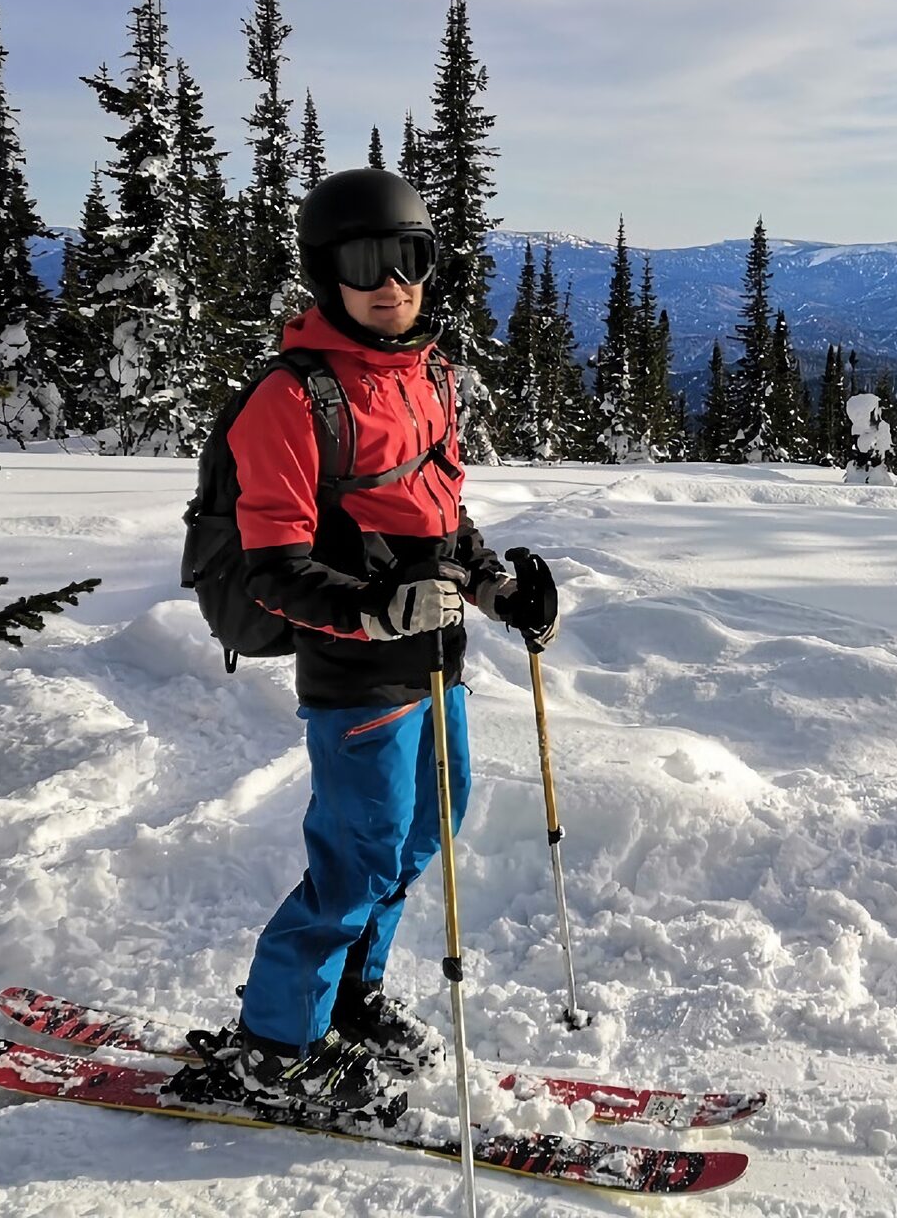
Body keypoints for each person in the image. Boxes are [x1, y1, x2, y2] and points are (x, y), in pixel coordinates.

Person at [208, 168, 557, 1116]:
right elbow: (272, 564)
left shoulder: (428, 375)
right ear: (327, 274)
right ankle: (277, 1045)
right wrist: (376, 611)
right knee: (354, 859)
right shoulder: (292, 398)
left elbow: (442, 516)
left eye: (408, 258)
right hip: (356, 670)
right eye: (365, 262)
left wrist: (491, 586)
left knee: (424, 828)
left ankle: (348, 1002)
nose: (389, 281)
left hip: (434, 660)